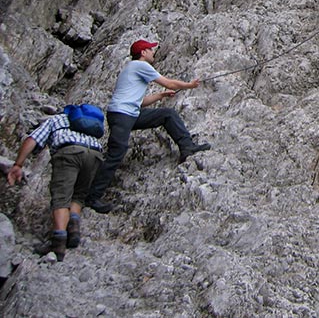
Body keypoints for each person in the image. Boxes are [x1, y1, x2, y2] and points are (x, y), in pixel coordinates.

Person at [85, 39, 210, 214]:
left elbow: (139, 102)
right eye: (150, 49)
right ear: (143, 52)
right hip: (123, 115)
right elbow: (169, 83)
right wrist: (190, 85)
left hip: (127, 114)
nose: (153, 52)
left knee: (167, 114)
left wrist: (160, 96)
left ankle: (187, 147)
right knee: (116, 153)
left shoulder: (130, 69)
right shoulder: (139, 66)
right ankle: (92, 197)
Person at [6, 111, 104, 261]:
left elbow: (33, 139)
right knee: (78, 194)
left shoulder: (56, 119)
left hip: (69, 152)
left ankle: (58, 245)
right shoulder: (90, 123)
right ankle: (74, 229)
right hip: (95, 153)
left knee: (61, 198)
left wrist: (18, 164)